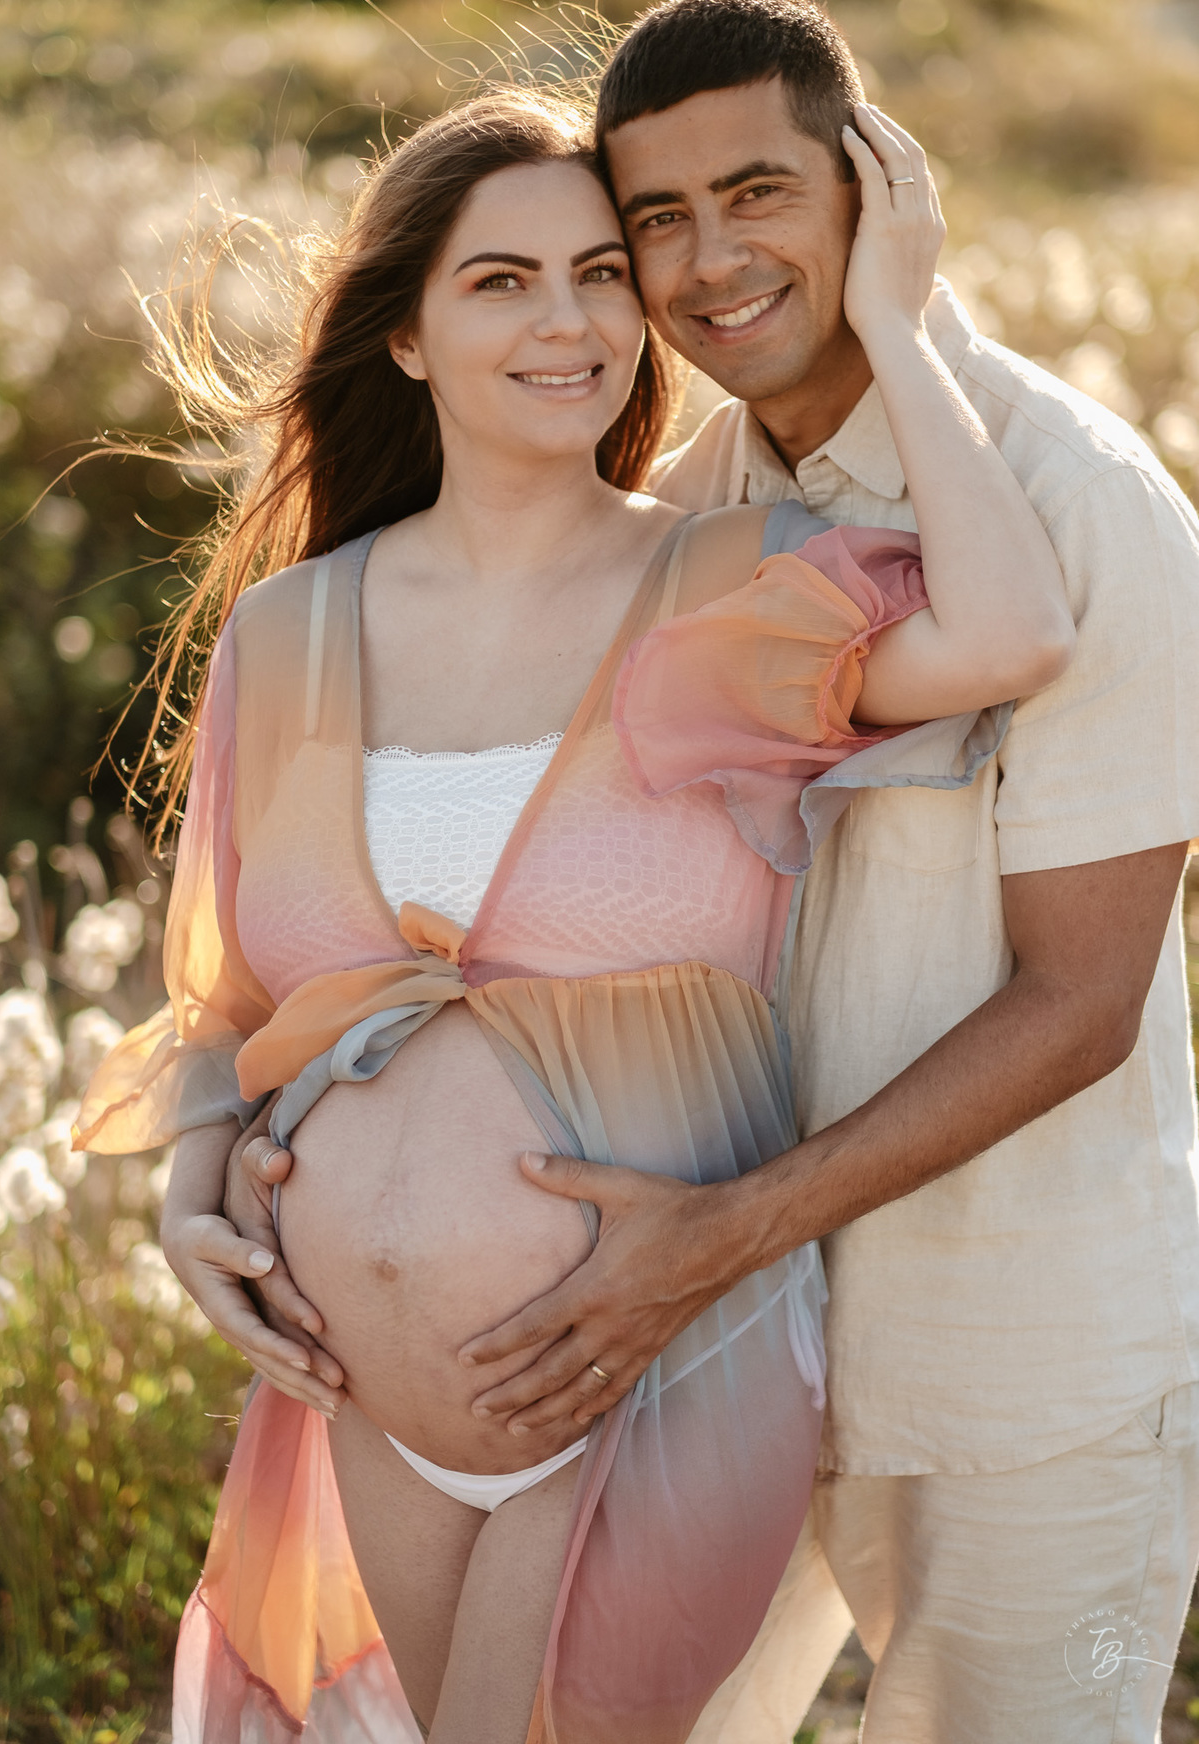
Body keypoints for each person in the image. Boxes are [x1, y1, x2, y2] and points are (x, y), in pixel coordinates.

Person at [74, 89, 1072, 1741]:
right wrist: (193, 1206)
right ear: (402, 336)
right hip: (372, 1394)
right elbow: (231, 1004)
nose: (571, 320)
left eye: (604, 273)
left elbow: (1013, 634)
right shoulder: (292, 632)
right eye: (502, 281)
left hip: (648, 1356)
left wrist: (899, 315)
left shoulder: (727, 581)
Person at [371, 0, 1199, 1744]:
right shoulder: (685, 505)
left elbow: (1082, 1004)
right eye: (656, 218)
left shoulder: (1087, 507)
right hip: (718, 1348)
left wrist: (723, 1234)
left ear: (872, 187)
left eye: (757, 192)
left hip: (1018, 1356)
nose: (706, 259)